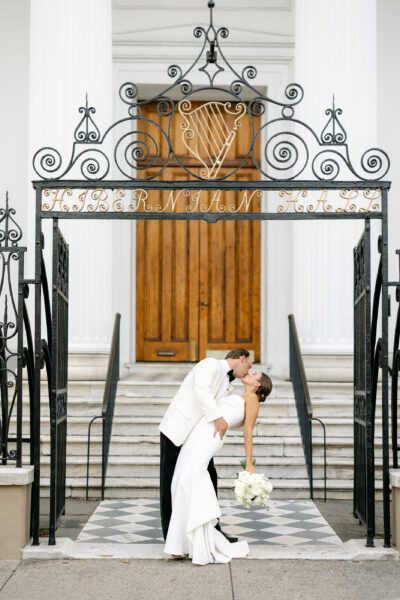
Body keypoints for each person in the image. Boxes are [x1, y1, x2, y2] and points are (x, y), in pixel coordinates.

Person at [164, 370, 272, 564]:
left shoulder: (252, 400)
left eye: (255, 374)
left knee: (193, 475)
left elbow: (248, 432)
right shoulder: (236, 395)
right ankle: (181, 544)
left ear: (257, 384)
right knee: (180, 478)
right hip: (199, 431)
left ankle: (200, 538)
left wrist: (249, 462)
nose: (250, 372)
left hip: (210, 437)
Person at [159, 349, 253, 543]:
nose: (248, 371)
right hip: (177, 431)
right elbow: (201, 390)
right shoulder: (210, 364)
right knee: (172, 482)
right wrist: (217, 418)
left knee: (210, 477)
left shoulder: (229, 386)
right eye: (248, 366)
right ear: (241, 358)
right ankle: (171, 536)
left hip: (198, 438)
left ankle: (213, 531)